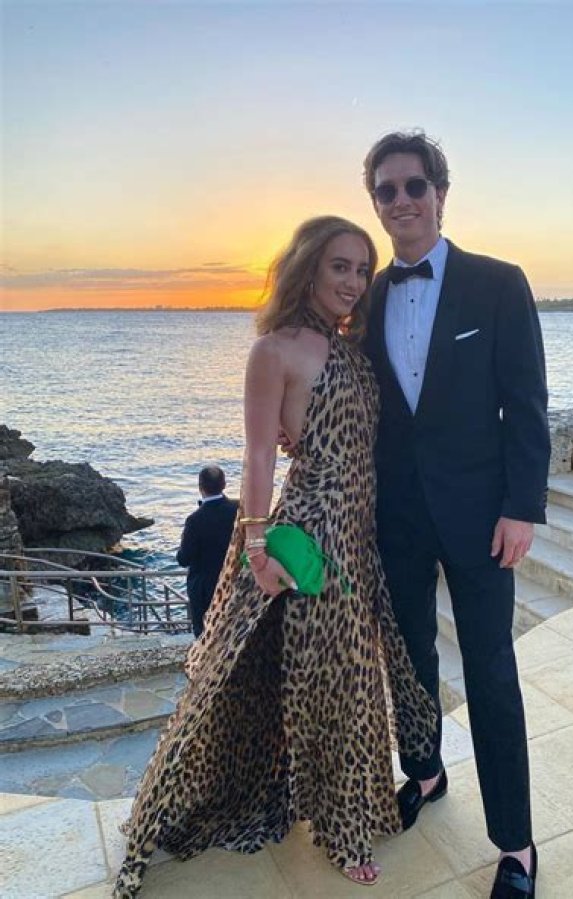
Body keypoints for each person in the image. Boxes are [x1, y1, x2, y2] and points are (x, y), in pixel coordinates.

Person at [113, 216, 436, 897]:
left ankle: (333, 805)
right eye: (339, 266)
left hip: (360, 533)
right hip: (314, 532)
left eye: (361, 269)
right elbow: (259, 456)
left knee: (338, 678)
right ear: (307, 268)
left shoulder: (349, 345)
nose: (353, 282)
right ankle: (344, 831)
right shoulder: (274, 350)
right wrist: (257, 549)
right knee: (341, 684)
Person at [362, 131, 550, 899]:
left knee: (491, 671)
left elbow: (526, 404)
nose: (401, 200)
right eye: (386, 190)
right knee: (408, 660)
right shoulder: (366, 297)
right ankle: (425, 771)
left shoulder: (498, 283)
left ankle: (516, 842)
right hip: (397, 519)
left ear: (441, 193)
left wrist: (521, 508)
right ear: (375, 204)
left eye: (414, 185)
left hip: (481, 517)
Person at [176, 465, 238, 637]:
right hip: (233, 579)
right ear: (224, 484)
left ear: (200, 487)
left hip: (204, 588)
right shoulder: (238, 509)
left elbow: (184, 559)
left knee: (205, 633)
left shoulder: (195, 520)